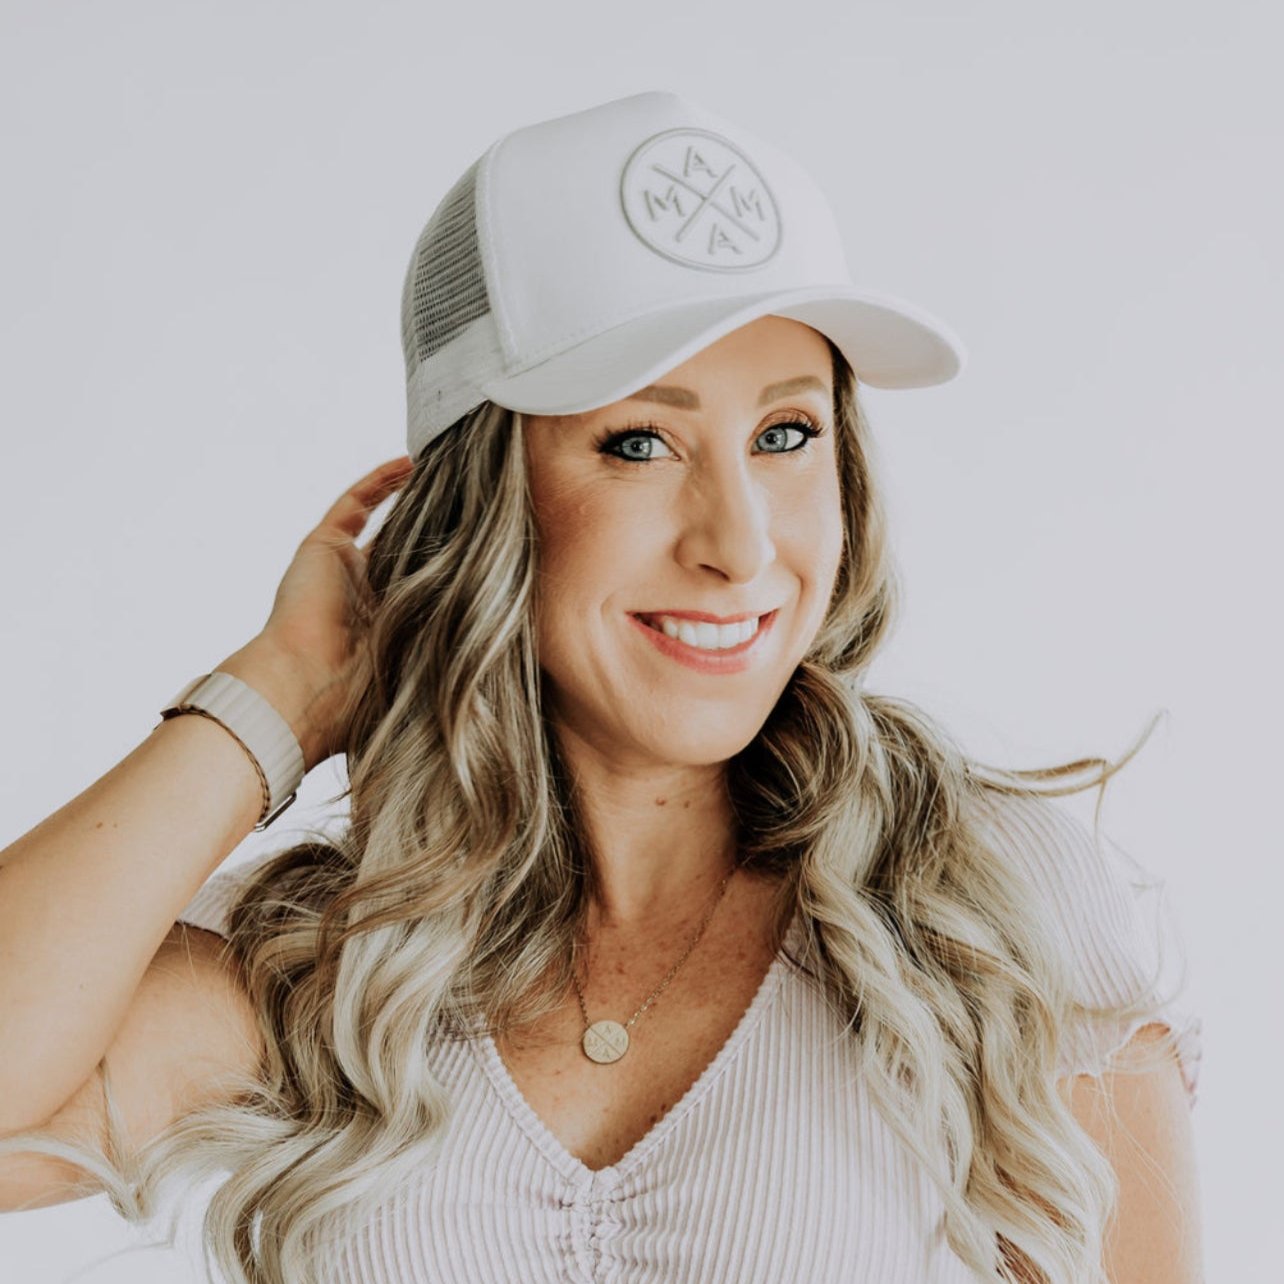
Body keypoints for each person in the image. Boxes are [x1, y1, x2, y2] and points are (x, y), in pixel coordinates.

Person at [0, 90, 1202, 1284]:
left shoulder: (984, 910)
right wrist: (282, 693)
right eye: (641, 443)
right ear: (488, 501)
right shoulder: (336, 970)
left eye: (786, 434)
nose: (739, 543)